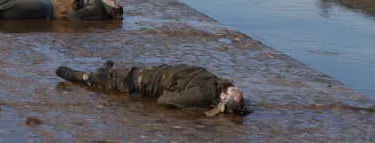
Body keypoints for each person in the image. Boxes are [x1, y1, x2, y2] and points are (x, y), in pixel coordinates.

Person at [55, 61, 246, 116]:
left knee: (111, 79)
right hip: (142, 78)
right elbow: (165, 100)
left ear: (223, 94)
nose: (235, 88)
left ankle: (89, 73)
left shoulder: (213, 81)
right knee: (105, 81)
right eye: (235, 89)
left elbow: (164, 100)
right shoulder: (207, 92)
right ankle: (83, 75)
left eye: (234, 90)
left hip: (146, 76)